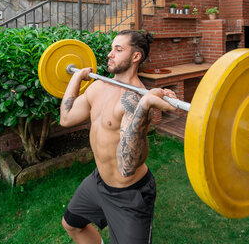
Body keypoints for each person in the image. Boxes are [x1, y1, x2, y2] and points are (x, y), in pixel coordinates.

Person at [60, 30, 177, 244]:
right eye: (112, 48)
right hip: (98, 181)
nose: (109, 54)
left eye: (118, 49)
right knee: (71, 224)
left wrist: (144, 106)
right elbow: (66, 118)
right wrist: (76, 77)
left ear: (135, 57)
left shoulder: (134, 100)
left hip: (129, 195)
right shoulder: (97, 87)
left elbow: (127, 166)